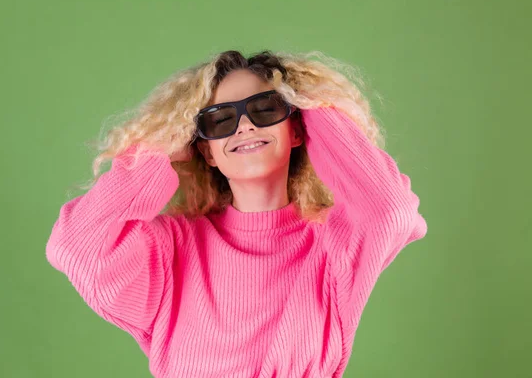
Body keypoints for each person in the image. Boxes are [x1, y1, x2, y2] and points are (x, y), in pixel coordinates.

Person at [45, 49, 428, 377]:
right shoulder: (173, 248)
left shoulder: (332, 246)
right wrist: (159, 148)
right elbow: (77, 249)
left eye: (266, 109)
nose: (244, 124)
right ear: (205, 151)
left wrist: (315, 106)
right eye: (219, 119)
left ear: (297, 130)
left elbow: (389, 210)